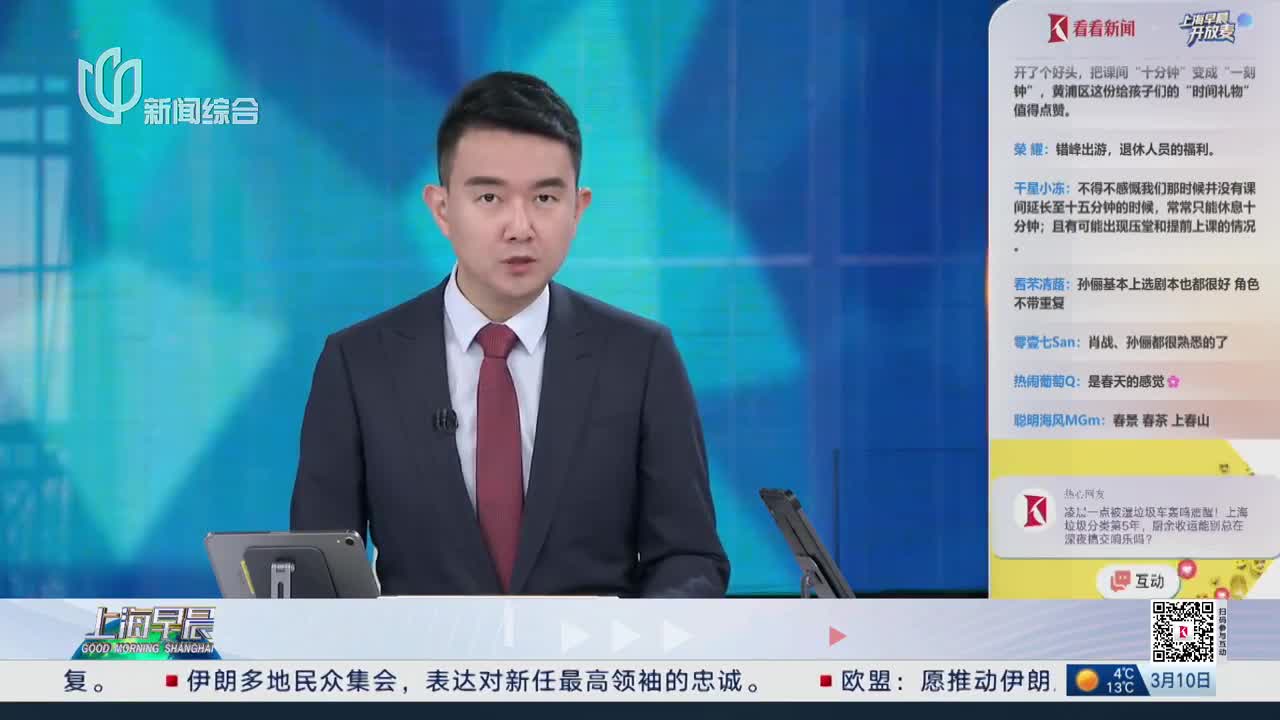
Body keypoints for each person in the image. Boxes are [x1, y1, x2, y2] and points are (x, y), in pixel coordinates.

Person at [290, 71, 729, 597]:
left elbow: (689, 557)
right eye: (489, 198)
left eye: (544, 198)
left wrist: (639, 637)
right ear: (442, 209)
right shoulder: (358, 362)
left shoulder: (641, 357)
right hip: (423, 651)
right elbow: (319, 571)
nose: (520, 227)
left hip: (590, 650)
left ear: (578, 208)